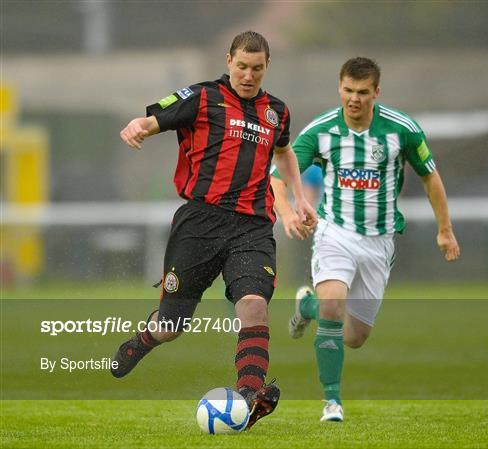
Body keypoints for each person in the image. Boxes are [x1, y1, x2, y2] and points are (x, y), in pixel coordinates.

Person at [111, 31, 317, 429]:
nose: (248, 74)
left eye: (256, 68)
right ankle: (142, 342)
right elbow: (155, 120)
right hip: (199, 224)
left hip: (253, 226)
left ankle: (248, 394)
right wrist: (139, 125)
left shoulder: (276, 111)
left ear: (266, 67)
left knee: (254, 305)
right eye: (241, 66)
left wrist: (298, 198)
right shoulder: (203, 97)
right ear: (228, 61)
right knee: (172, 327)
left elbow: (284, 150)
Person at [271, 57, 460, 422]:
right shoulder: (323, 130)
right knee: (333, 305)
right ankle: (332, 402)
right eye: (347, 91)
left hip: (380, 241)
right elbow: (277, 173)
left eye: (362, 92)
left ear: (376, 92)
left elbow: (430, 177)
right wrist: (289, 213)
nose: (353, 99)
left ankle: (305, 307)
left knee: (355, 336)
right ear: (339, 88)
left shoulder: (402, 129)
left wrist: (445, 229)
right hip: (334, 232)